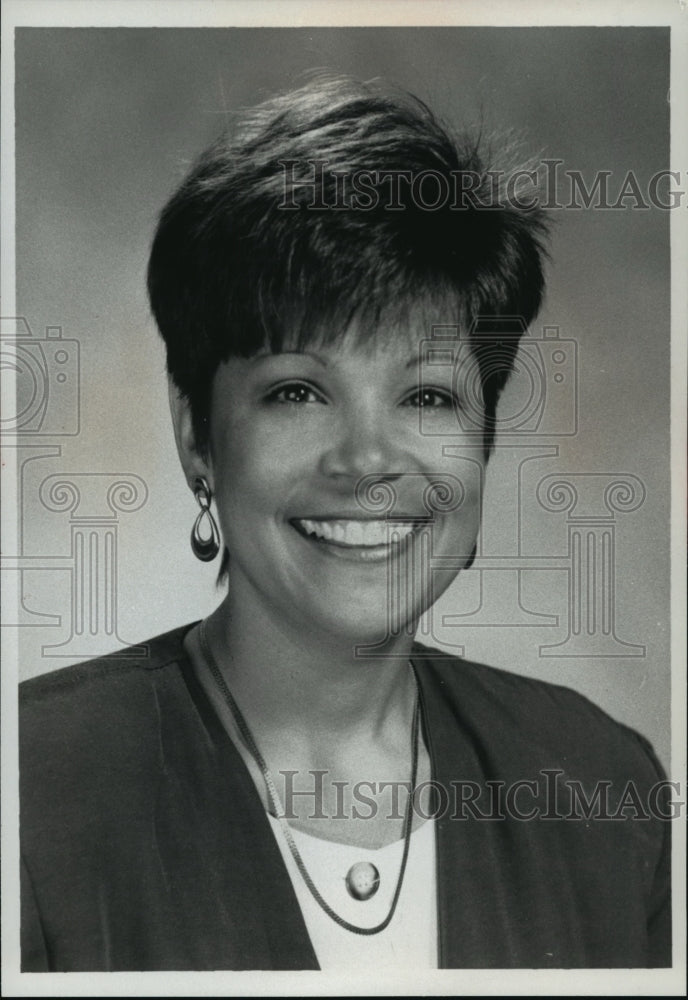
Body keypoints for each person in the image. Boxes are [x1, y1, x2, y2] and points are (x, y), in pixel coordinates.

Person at [19, 74, 670, 971]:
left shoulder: (600, 786)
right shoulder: (32, 792)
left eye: (429, 395)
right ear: (196, 434)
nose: (367, 461)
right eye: (297, 391)